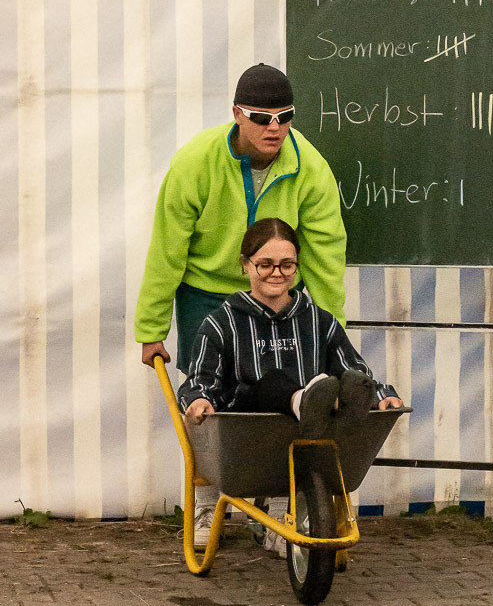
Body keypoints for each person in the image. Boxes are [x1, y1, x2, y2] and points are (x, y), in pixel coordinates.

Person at [135, 63, 348, 541]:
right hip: (206, 290)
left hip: (275, 290)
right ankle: (207, 501)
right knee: (208, 394)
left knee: (284, 391)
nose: (275, 127)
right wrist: (151, 329)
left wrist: (329, 329)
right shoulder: (196, 163)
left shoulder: (309, 167)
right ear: (237, 114)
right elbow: (167, 249)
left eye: (285, 116)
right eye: (261, 117)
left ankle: (277, 502)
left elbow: (326, 253)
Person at [178, 218, 403, 541]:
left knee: (349, 380)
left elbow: (351, 365)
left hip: (306, 435)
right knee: (273, 382)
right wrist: (199, 399)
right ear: (245, 264)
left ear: (297, 266)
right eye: (265, 264)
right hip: (247, 428)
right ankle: (303, 401)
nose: (277, 273)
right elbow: (200, 378)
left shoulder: (318, 320)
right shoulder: (222, 322)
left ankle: (323, 409)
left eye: (287, 265)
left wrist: (380, 395)